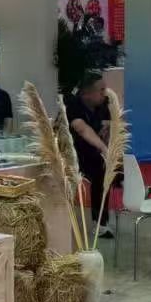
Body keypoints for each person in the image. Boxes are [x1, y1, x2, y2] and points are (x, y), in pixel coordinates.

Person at [66, 71, 113, 236]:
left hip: (92, 153)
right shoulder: (72, 104)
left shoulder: (104, 103)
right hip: (71, 153)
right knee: (101, 161)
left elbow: (108, 127)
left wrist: (109, 130)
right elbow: (82, 129)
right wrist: (105, 149)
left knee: (104, 168)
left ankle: (100, 223)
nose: (105, 93)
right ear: (86, 94)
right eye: (101, 90)